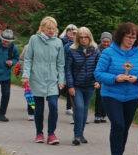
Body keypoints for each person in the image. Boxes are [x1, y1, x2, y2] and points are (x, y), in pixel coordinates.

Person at [95, 22, 138, 155]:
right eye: (128, 37)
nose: (131, 40)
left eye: (134, 38)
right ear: (121, 36)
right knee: (118, 124)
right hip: (111, 95)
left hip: (132, 96)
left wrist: (137, 79)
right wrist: (115, 78)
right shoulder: (108, 53)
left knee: (125, 127)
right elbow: (98, 73)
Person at [21, 16, 65, 145]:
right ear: (42, 28)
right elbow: (28, 59)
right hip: (37, 78)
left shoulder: (58, 42)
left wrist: (61, 80)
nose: (51, 31)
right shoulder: (34, 39)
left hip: (52, 79)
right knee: (39, 108)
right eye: (48, 28)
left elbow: (60, 63)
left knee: (53, 106)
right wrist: (26, 75)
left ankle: (51, 134)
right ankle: (39, 133)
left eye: (53, 28)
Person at [64, 27, 100, 145]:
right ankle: (76, 135)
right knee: (79, 107)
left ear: (90, 38)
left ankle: (81, 133)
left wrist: (98, 81)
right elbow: (68, 69)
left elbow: (99, 68)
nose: (84, 39)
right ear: (78, 39)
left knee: (85, 109)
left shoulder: (96, 51)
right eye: (81, 37)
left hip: (89, 85)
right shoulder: (71, 50)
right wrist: (70, 86)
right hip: (76, 85)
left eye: (86, 37)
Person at [93, 32, 112, 123]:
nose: (106, 43)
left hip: (109, 76)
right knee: (99, 95)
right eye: (104, 41)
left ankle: (103, 115)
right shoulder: (96, 50)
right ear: (101, 41)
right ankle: (97, 115)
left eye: (108, 42)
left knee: (107, 96)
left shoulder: (113, 50)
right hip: (100, 75)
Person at [60, 24, 78, 116]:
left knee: (70, 89)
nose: (71, 33)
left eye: (73, 31)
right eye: (69, 30)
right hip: (65, 68)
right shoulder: (62, 41)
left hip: (75, 70)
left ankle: (69, 107)